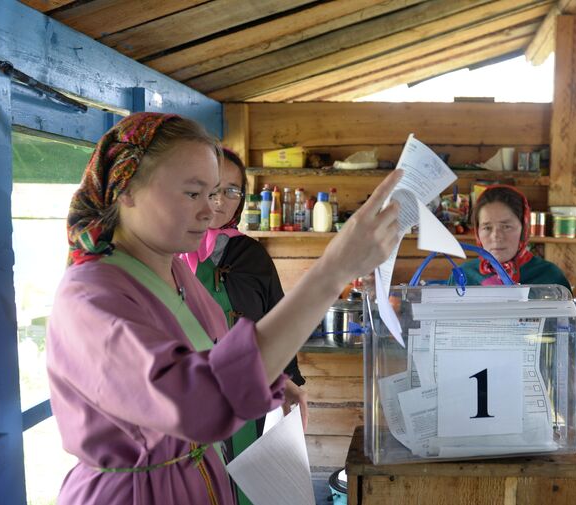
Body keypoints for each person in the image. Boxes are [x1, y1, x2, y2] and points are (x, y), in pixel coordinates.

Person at [47, 112, 401, 504]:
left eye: (214, 193)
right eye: (192, 193)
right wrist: (332, 272)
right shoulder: (92, 296)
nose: (210, 210)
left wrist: (273, 379)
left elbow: (211, 355)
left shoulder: (176, 272)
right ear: (125, 189)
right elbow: (196, 403)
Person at [181, 148, 306, 505]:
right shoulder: (165, 254)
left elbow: (277, 318)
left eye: (232, 190)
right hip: (183, 402)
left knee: (245, 484)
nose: (220, 201)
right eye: (211, 188)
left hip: (246, 396)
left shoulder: (251, 255)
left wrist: (290, 381)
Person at [454, 185, 570, 289]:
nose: (496, 236)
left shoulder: (549, 278)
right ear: (477, 231)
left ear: (524, 229)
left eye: (506, 227)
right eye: (487, 228)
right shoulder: (463, 276)